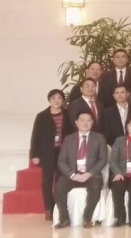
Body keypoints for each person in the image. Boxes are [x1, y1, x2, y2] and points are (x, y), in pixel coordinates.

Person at [53, 111, 107, 229]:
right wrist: (73, 175)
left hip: (91, 175)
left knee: (95, 189)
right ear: (77, 123)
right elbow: (61, 161)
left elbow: (103, 159)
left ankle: (87, 219)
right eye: (82, 120)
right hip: (72, 174)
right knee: (58, 189)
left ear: (92, 123)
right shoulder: (68, 139)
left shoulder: (99, 138)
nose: (85, 123)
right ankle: (64, 219)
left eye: (88, 120)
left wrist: (89, 173)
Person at [29, 89, 74, 221]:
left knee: (61, 181)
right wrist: (34, 154)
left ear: (63, 100)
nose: (56, 101)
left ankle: (60, 209)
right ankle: (49, 209)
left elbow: (73, 133)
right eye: (53, 98)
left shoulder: (67, 114)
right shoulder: (42, 116)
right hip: (47, 153)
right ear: (49, 100)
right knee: (47, 182)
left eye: (59, 98)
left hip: (63, 152)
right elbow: (35, 135)